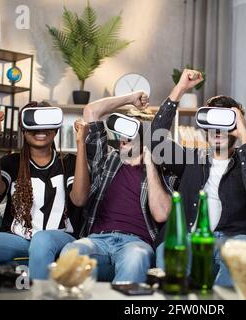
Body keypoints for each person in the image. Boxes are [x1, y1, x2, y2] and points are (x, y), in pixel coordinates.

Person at [150, 69, 246, 286]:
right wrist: (180, 89)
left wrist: (244, 134)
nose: (216, 129)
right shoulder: (191, 158)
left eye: (224, 122)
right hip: (188, 238)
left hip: (232, 242)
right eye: (211, 122)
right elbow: (156, 142)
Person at [61, 92, 176, 283]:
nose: (123, 136)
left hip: (136, 243)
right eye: (123, 129)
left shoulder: (163, 172)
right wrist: (130, 99)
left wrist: (150, 164)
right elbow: (91, 111)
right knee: (71, 251)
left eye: (132, 131)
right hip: (97, 238)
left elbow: (162, 214)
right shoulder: (107, 159)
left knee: (136, 258)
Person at [0, 101, 90, 279]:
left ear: (56, 129)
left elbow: (79, 199)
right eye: (33, 123)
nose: (40, 130)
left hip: (61, 238)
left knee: (42, 239)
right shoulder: (13, 162)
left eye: (46, 122)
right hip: (19, 238)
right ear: (24, 129)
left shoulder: (69, 162)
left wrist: (81, 143)